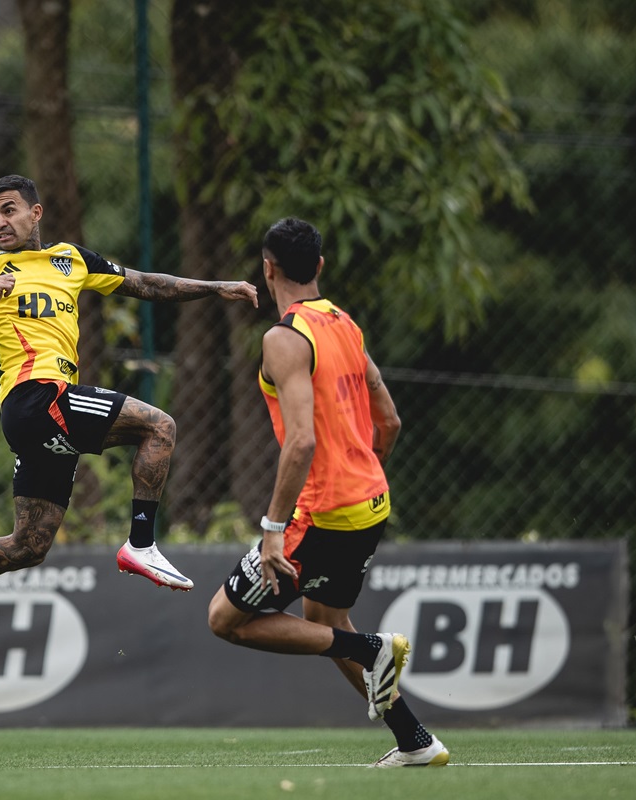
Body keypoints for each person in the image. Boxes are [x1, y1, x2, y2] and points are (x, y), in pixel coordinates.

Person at [0, 174, 259, 649]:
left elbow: (143, 283)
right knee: (159, 426)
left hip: (42, 414)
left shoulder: (71, 259)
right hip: (33, 397)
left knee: (28, 546)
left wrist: (215, 286)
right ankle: (141, 543)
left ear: (35, 213)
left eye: (9, 210)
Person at [206, 218, 450, 768]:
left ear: (267, 269)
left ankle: (373, 650)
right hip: (370, 504)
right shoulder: (345, 324)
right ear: (318, 267)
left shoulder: (283, 338)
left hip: (319, 513)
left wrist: (272, 531)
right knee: (326, 621)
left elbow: (301, 444)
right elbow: (390, 420)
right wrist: (364, 470)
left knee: (226, 620)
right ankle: (414, 739)